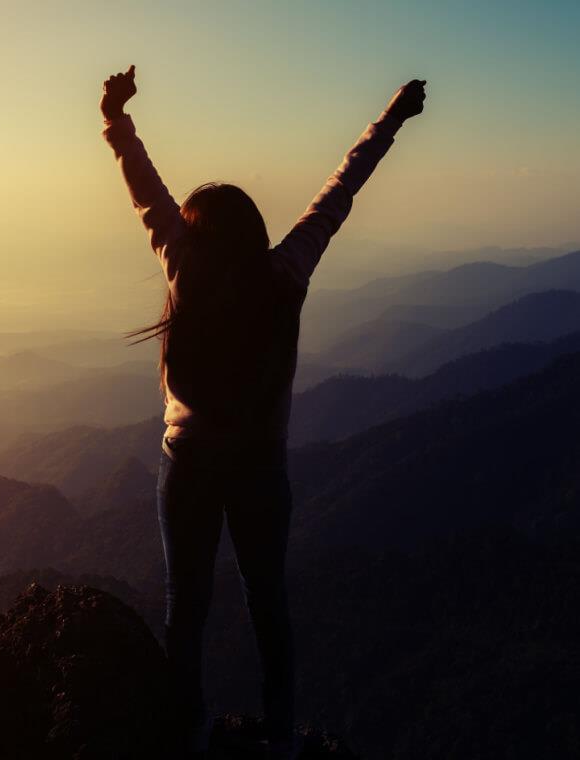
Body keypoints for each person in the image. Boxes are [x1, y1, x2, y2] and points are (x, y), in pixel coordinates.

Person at [99, 65, 426, 759]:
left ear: (198, 231)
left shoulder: (182, 266)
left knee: (184, 606)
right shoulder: (285, 275)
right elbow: (341, 191)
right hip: (258, 471)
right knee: (266, 601)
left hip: (185, 466)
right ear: (252, 230)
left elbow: (144, 191)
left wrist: (116, 117)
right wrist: (391, 119)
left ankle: (182, 733)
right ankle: (278, 734)